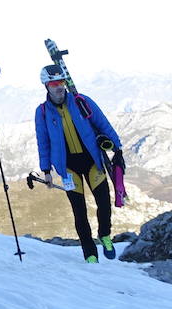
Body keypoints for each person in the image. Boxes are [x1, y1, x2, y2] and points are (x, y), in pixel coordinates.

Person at [33, 66, 123, 262]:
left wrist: (118, 148)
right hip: (68, 168)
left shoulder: (82, 101)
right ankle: (90, 254)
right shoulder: (42, 112)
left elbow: (102, 123)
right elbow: (43, 142)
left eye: (62, 82)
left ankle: (105, 235)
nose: (59, 87)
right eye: (54, 84)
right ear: (46, 86)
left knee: (104, 203)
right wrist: (46, 170)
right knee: (79, 211)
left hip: (93, 161)